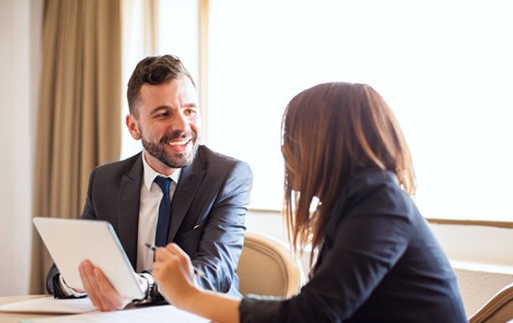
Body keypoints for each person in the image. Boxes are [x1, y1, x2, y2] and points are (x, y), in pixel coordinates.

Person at [151, 82, 468, 322]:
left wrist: (189, 296)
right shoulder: (358, 204)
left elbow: (314, 314)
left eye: (293, 137)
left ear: (326, 143)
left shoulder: (379, 203)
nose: (286, 150)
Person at [45, 55, 253, 311]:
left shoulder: (227, 176)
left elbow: (215, 272)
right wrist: (81, 281)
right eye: (164, 114)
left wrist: (138, 287)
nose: (182, 126)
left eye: (189, 110)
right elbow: (62, 271)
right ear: (134, 127)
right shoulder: (105, 181)